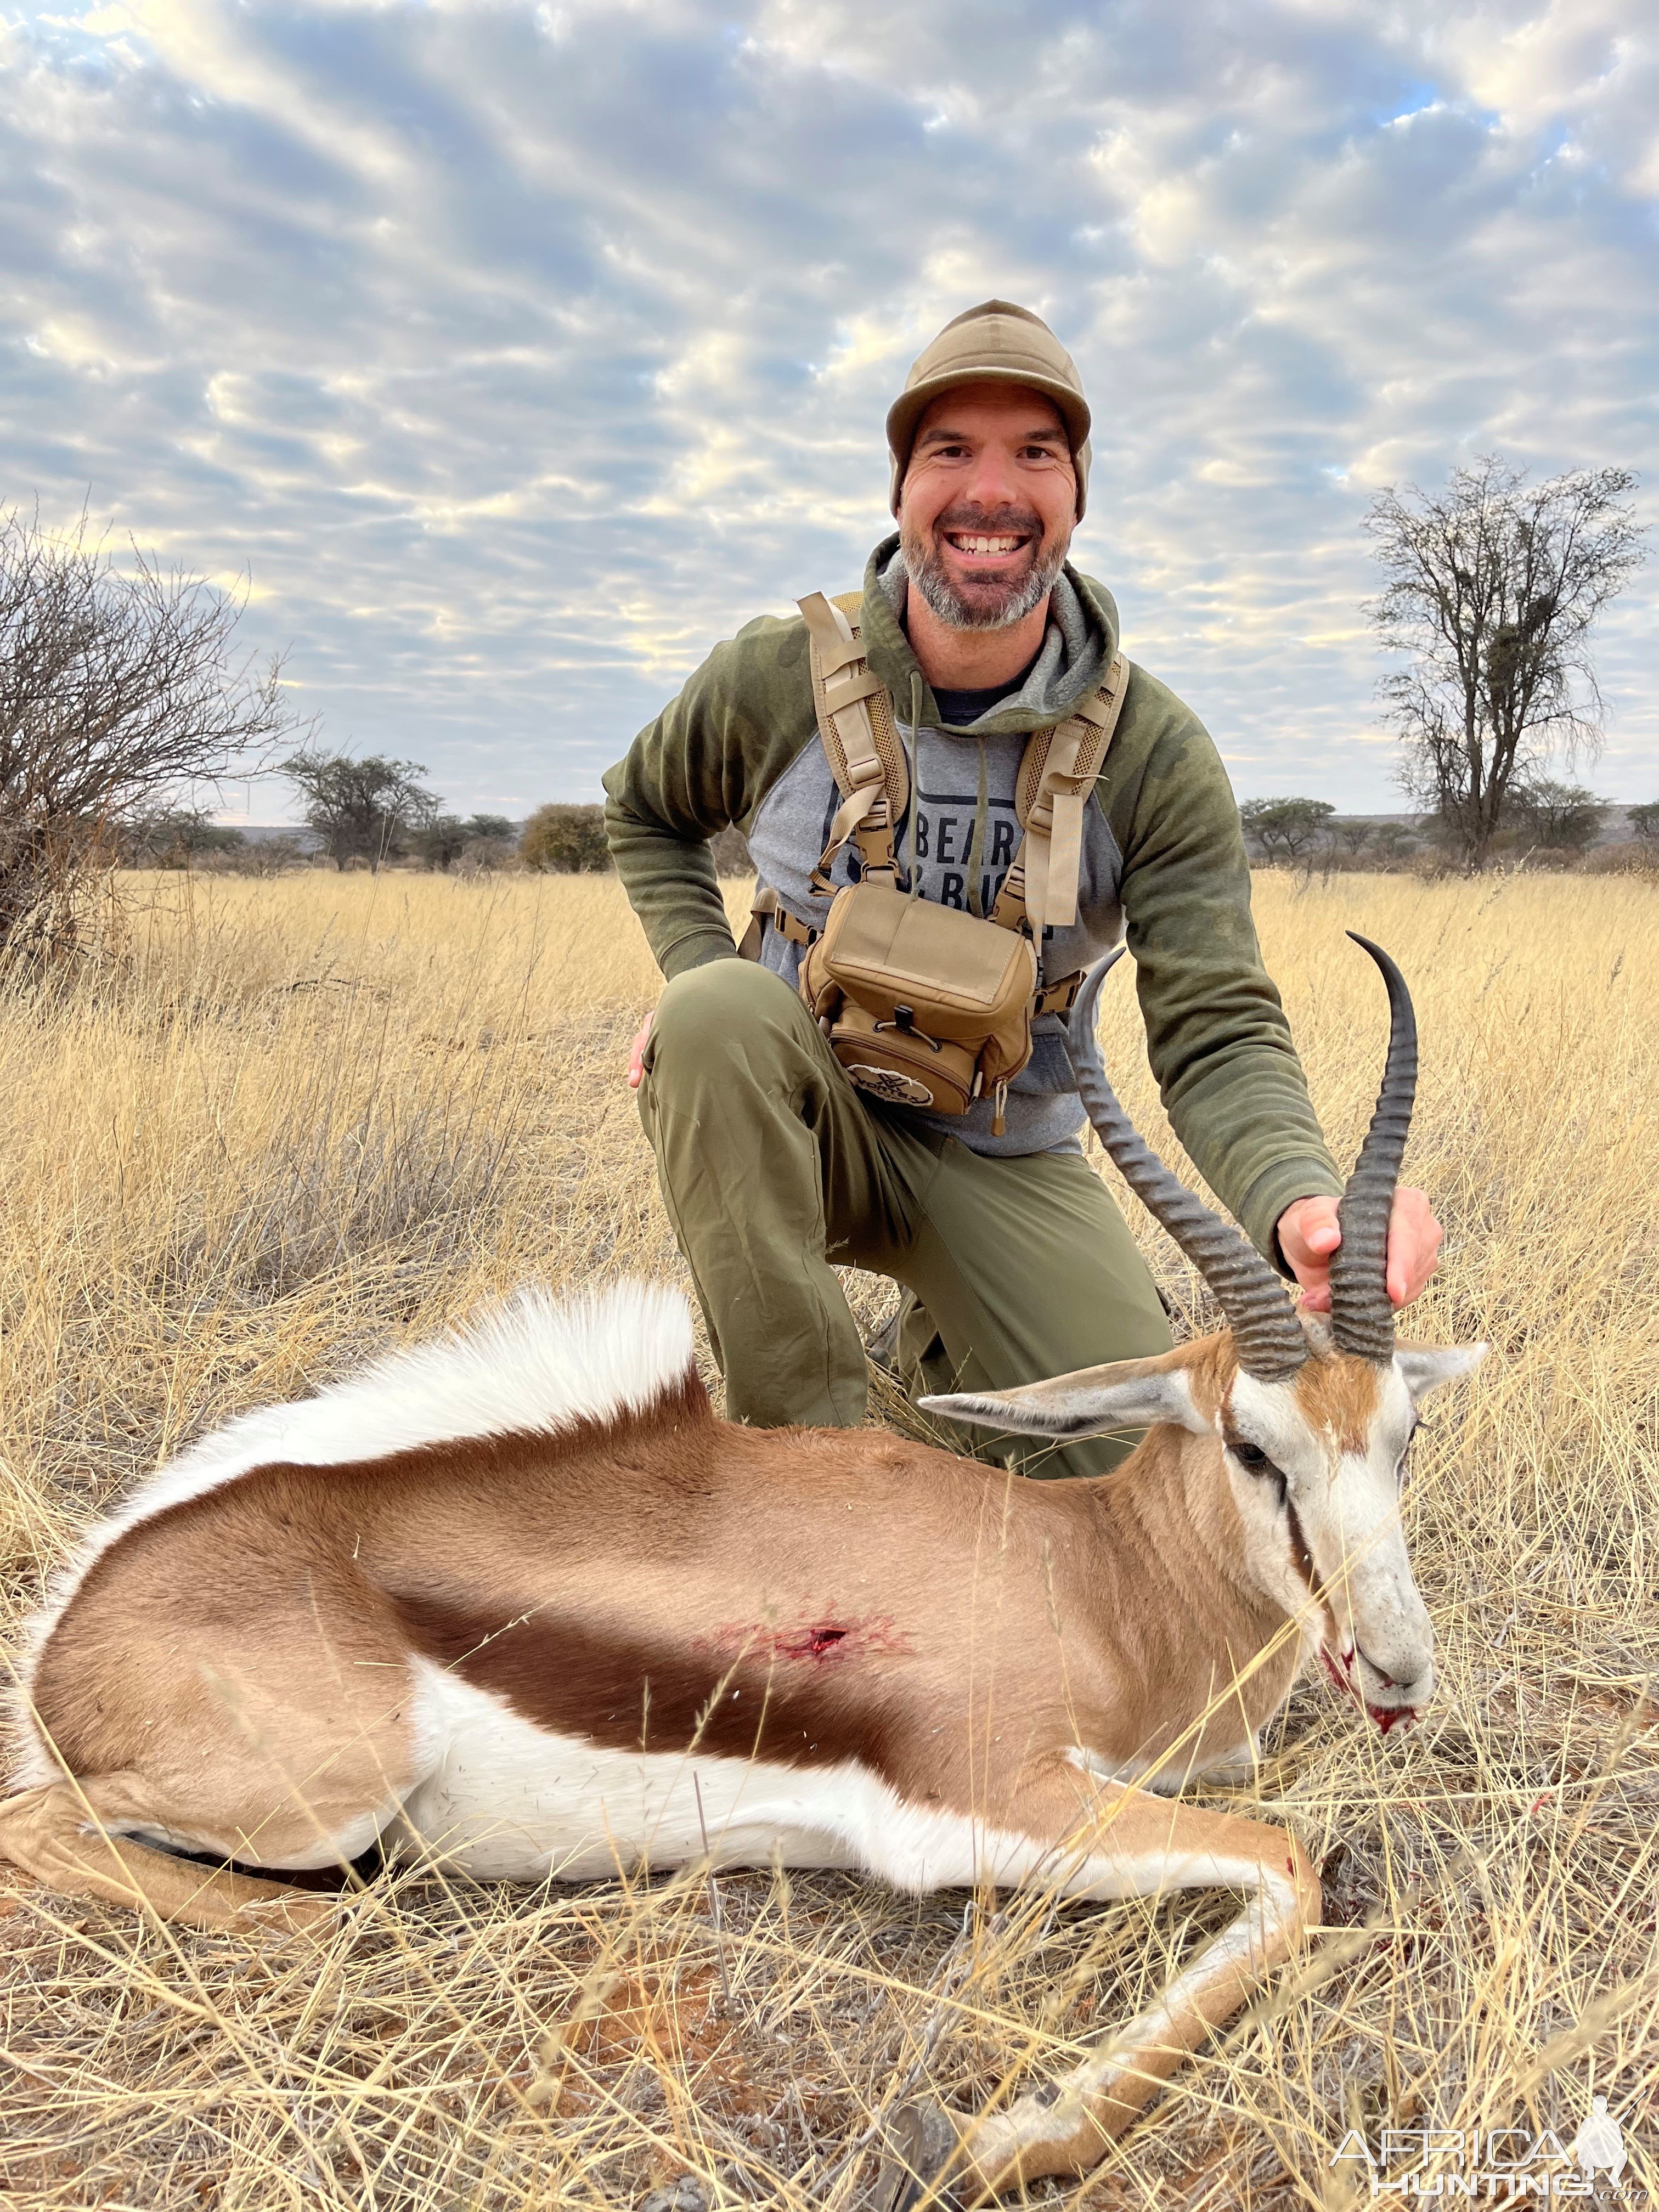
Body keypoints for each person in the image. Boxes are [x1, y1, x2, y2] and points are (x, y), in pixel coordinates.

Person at [603, 299, 1441, 1476]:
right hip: (805, 1119)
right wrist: (695, 967)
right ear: (900, 490)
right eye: (950, 450)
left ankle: (944, 1356)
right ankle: (804, 1471)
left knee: (1136, 1471)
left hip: (1003, 1152)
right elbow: (642, 810)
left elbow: (1215, 1022)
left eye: (1035, 454)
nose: (990, 490)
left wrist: (1303, 1202)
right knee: (713, 1020)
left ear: (1076, 498)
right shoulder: (773, 675)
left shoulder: (1155, 748)